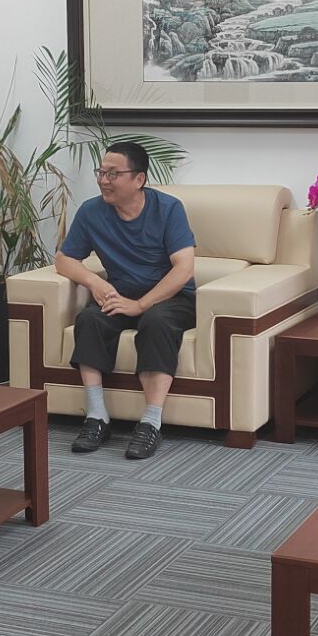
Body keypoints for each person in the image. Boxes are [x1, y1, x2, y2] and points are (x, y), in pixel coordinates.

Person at [54, 141, 196, 460]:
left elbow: (184, 268)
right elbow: (64, 259)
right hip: (121, 294)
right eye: (101, 172)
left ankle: (151, 423)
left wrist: (141, 305)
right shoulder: (91, 212)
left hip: (171, 299)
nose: (104, 180)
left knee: (156, 322)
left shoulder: (168, 209)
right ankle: (96, 417)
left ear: (139, 179)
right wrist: (94, 281)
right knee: (90, 319)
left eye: (113, 174)